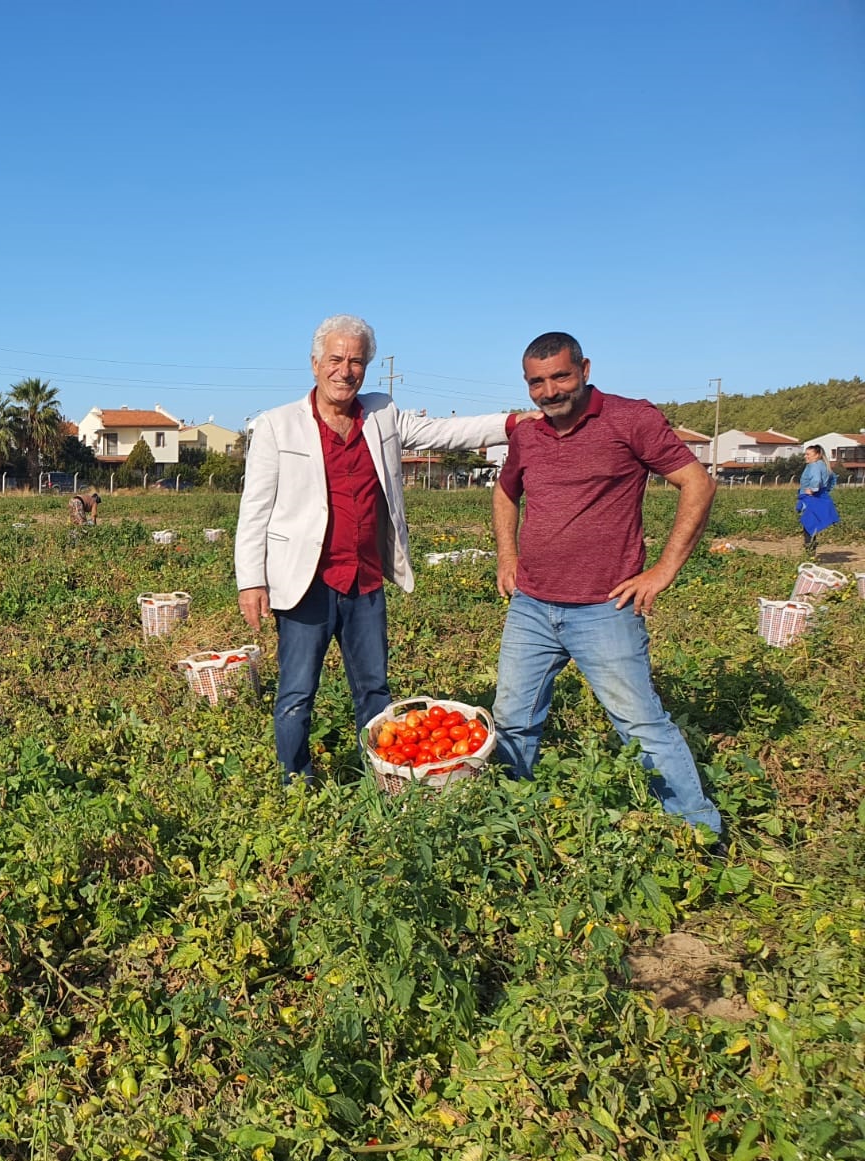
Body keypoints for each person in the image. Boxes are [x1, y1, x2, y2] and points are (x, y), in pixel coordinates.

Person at [236, 314, 528, 780]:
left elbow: (445, 432)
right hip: (304, 581)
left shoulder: (381, 414)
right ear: (315, 363)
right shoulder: (277, 425)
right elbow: (255, 509)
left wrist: (511, 423)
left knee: (374, 689)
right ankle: (295, 782)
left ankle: (384, 780)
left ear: (366, 368)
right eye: (336, 359)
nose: (345, 370)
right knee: (296, 693)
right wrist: (251, 581)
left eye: (356, 361)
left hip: (365, 578)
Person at [491, 331, 722, 835]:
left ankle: (699, 831)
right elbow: (506, 493)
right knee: (511, 718)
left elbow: (697, 483)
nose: (549, 391)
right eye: (536, 382)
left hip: (604, 608)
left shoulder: (629, 418)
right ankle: (511, 821)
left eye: (560, 377)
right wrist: (507, 554)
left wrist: (663, 570)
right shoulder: (527, 435)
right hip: (531, 605)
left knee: (640, 723)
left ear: (585, 369)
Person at [796, 444, 838, 556]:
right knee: (812, 525)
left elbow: (816, 479)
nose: (805, 456)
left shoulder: (814, 466)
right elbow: (833, 478)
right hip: (820, 497)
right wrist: (825, 490)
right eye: (805, 454)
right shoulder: (823, 465)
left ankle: (810, 554)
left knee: (808, 525)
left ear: (817, 455)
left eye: (808, 454)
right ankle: (811, 553)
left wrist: (813, 489)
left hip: (812, 499)